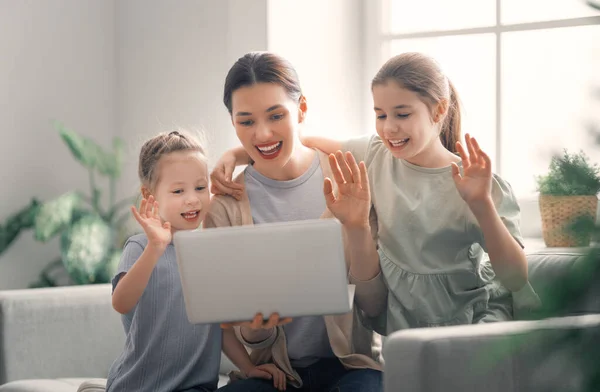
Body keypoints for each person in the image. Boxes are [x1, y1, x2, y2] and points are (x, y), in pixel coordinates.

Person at [212, 52, 540, 336]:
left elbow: (514, 278)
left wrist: (481, 203)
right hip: (405, 329)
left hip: (468, 323)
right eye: (380, 115)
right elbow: (300, 141)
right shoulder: (374, 152)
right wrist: (236, 155)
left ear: (439, 111)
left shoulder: (474, 181)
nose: (388, 128)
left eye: (402, 114)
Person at [205, 52, 383, 392]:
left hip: (351, 368)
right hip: (274, 374)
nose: (262, 133)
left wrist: (358, 227)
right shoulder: (224, 207)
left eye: (276, 115)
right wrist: (258, 327)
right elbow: (238, 329)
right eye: (246, 121)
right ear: (232, 123)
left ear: (301, 109)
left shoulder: (349, 177)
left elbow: (374, 307)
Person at [106, 130, 285, 392]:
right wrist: (156, 247)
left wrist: (248, 368)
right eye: (178, 190)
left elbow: (217, 328)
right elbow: (121, 303)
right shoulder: (140, 247)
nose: (192, 199)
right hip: (139, 386)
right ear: (150, 196)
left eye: (200, 188)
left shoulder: (210, 252)